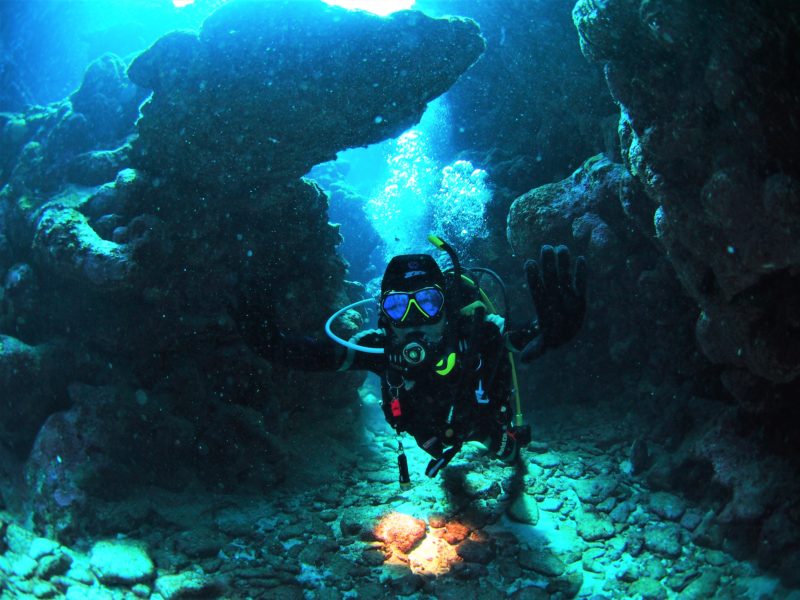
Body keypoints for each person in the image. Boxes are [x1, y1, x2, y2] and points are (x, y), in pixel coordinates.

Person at [239, 236, 586, 483]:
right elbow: (318, 356)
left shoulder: (476, 330)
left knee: (511, 456)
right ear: (385, 317)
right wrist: (272, 345)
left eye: (428, 302)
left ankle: (497, 445)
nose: (415, 319)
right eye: (398, 307)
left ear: (447, 307)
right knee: (440, 452)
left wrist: (550, 330)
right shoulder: (379, 349)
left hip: (482, 423)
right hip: (426, 435)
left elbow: (520, 335)